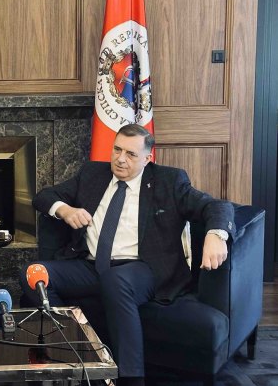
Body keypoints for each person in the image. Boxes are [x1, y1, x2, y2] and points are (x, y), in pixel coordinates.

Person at [20, 124, 234, 386]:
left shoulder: (169, 181)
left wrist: (216, 234)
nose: (121, 159)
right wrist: (66, 210)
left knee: (116, 280)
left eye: (131, 154)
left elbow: (216, 206)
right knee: (32, 274)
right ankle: (79, 355)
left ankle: (132, 380)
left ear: (147, 158)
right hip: (90, 266)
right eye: (117, 150)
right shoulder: (92, 174)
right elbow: (44, 196)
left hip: (142, 269)